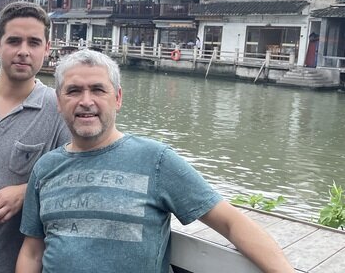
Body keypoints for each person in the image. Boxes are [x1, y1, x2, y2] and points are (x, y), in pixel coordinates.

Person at [16, 49, 294, 273]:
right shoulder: (46, 169)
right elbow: (32, 251)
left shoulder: (156, 159)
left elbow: (231, 222)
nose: (86, 101)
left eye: (98, 90)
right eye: (74, 91)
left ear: (118, 98)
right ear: (58, 101)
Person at [0, 1, 71, 272]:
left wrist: (27, 191)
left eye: (34, 43)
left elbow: (79, 176)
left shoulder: (59, 111)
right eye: (14, 41)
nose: (23, 51)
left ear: (47, 48)